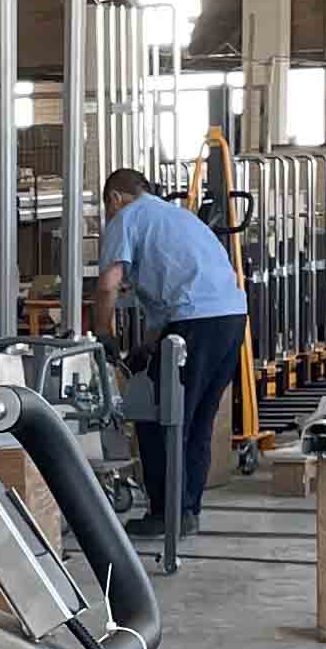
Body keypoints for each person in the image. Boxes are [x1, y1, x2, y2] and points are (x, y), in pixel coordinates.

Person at [91, 166, 246, 536]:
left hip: (195, 324)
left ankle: (166, 513)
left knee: (159, 417)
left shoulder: (126, 217)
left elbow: (108, 284)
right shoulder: (180, 217)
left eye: (107, 208)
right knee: (197, 421)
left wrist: (103, 332)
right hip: (232, 319)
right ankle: (187, 511)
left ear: (115, 198)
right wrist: (147, 346)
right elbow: (174, 295)